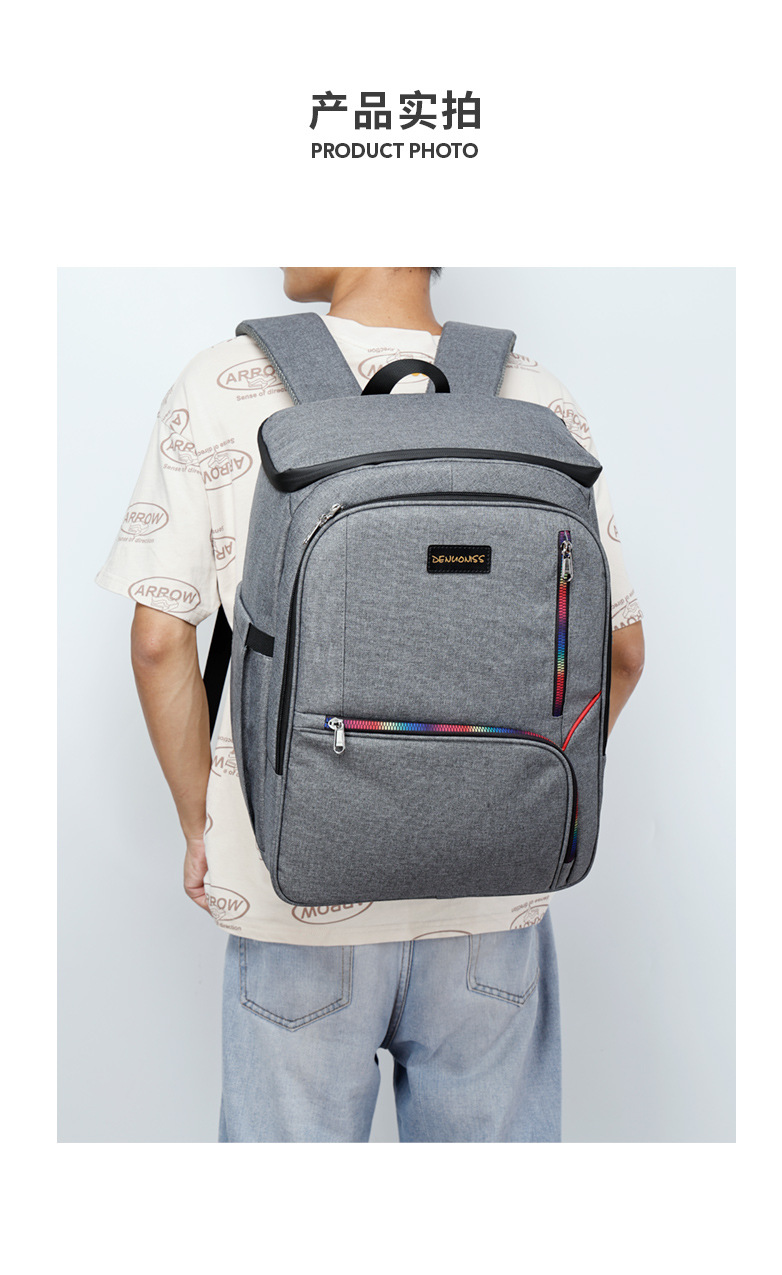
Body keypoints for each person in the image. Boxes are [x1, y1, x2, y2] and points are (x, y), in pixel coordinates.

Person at [96, 267, 645, 1142]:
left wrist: (206, 825)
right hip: (490, 905)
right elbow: (620, 651)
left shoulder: (223, 385)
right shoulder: (537, 400)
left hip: (295, 898)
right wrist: (510, 795)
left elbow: (160, 639)